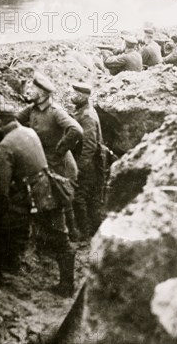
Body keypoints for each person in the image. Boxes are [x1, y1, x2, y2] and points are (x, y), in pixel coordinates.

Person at [0, 104, 76, 297]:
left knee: (9, 226)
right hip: (49, 187)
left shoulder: (5, 147)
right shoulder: (28, 131)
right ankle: (67, 283)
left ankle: (10, 271)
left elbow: (2, 187)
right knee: (60, 235)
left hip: (35, 195)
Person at [17, 72, 83, 241]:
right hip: (44, 161)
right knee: (52, 199)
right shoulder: (32, 109)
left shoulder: (55, 112)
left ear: (44, 94)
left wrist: (60, 150)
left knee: (61, 199)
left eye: (34, 89)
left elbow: (76, 130)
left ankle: (70, 236)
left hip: (60, 164)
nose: (30, 91)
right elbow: (14, 120)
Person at [70, 83, 105, 239]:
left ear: (83, 97)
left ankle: (84, 235)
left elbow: (89, 146)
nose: (72, 96)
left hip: (89, 163)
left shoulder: (87, 116)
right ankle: (96, 233)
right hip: (91, 161)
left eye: (75, 94)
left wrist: (78, 168)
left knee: (79, 197)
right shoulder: (84, 111)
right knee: (92, 199)